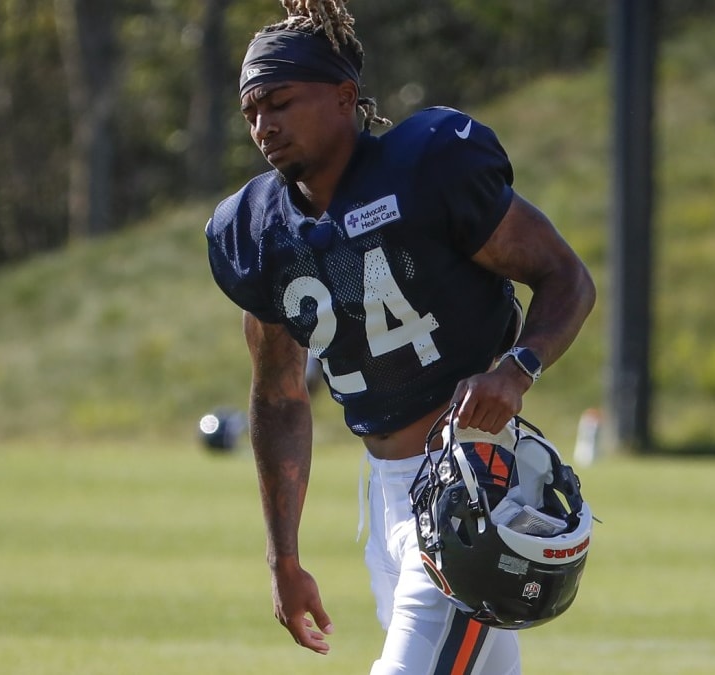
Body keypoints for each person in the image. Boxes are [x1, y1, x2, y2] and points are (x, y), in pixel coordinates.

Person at [204, 2, 596, 672]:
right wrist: (284, 556)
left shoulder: (427, 169)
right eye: (251, 111)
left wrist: (517, 367)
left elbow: (564, 275)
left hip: (475, 479)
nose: (264, 124)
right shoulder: (258, 231)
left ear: (344, 97)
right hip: (386, 491)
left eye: (281, 101)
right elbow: (279, 397)